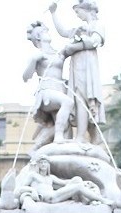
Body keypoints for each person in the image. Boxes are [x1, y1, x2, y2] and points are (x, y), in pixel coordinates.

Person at [49, 0, 105, 144]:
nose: (77, 15)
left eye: (77, 11)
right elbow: (62, 31)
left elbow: (95, 41)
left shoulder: (97, 25)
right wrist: (53, 13)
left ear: (85, 9)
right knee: (78, 98)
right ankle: (80, 136)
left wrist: (74, 47)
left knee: (87, 99)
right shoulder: (77, 29)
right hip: (77, 66)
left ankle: (89, 136)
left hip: (88, 66)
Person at [24, 21, 73, 149]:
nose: (48, 33)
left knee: (65, 125)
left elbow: (73, 47)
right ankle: (58, 137)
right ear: (39, 37)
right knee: (67, 102)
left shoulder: (59, 53)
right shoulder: (38, 55)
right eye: (45, 32)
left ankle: (36, 147)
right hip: (46, 92)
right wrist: (34, 60)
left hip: (60, 89)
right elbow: (25, 76)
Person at [13, 157, 110, 208]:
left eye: (45, 163)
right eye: (41, 163)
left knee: (77, 180)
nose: (43, 165)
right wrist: (32, 191)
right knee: (79, 187)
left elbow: (64, 183)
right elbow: (20, 189)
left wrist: (78, 180)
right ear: (38, 165)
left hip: (55, 195)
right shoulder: (33, 175)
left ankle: (88, 200)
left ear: (48, 165)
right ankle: (102, 200)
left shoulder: (50, 177)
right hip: (49, 198)